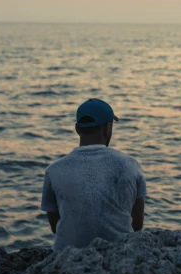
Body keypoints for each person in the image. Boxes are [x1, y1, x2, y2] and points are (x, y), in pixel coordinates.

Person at [41, 98, 146, 252]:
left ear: (77, 128)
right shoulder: (131, 165)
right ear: (107, 128)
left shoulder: (54, 170)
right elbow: (137, 225)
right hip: (120, 255)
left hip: (66, 259)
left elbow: (55, 226)